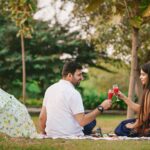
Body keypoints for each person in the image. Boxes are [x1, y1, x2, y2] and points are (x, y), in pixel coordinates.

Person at [39, 61, 112, 137]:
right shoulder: (73, 93)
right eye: (79, 75)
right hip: (70, 134)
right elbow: (82, 121)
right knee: (92, 121)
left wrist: (44, 132)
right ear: (70, 75)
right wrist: (101, 107)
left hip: (52, 133)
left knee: (88, 118)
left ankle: (93, 132)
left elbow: (42, 117)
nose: (82, 78)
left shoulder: (50, 89)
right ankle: (93, 132)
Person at [115, 62, 150, 137]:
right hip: (146, 122)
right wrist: (124, 98)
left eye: (143, 75)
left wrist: (134, 125)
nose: (140, 77)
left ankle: (143, 132)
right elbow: (142, 109)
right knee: (124, 124)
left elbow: (145, 115)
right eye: (140, 74)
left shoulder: (148, 92)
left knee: (121, 128)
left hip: (147, 124)